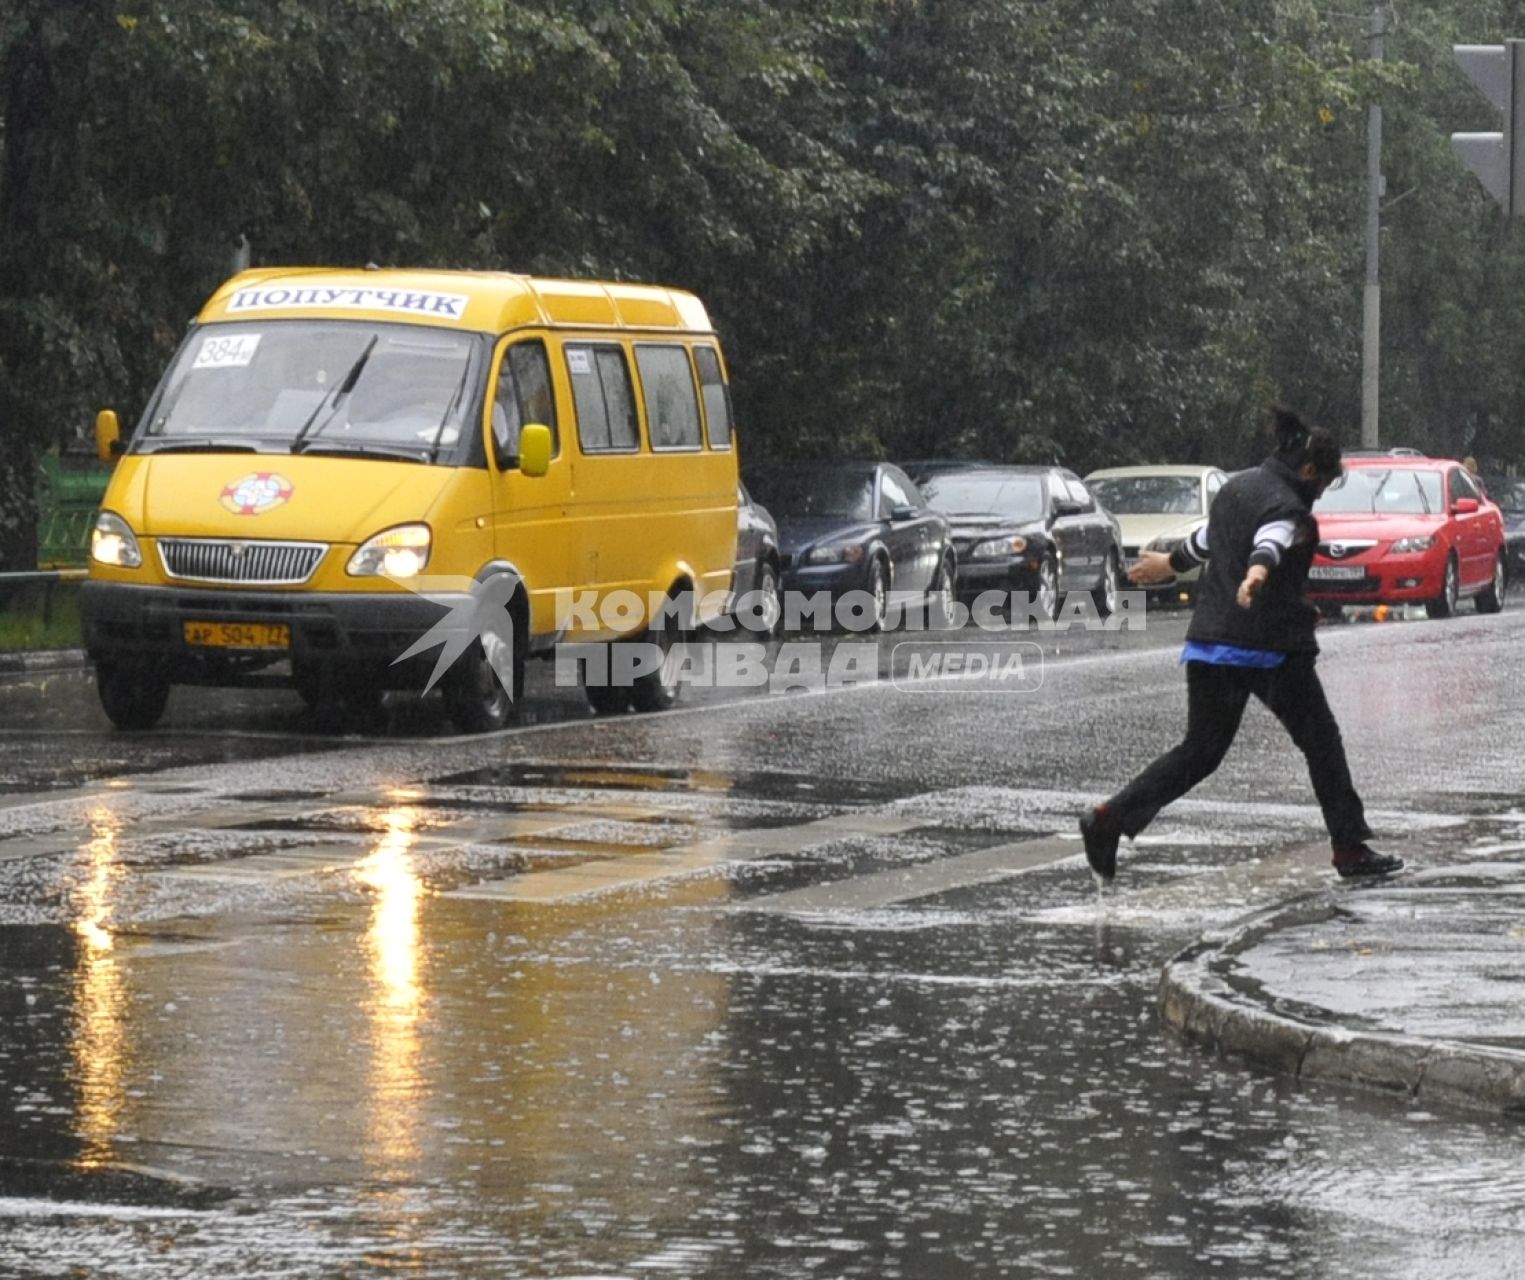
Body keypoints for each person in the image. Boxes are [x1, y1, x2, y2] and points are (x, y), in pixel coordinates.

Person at [1079, 407, 1403, 882]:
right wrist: (1255, 576)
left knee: (1201, 750)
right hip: (1268, 648)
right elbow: (1268, 543)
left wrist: (1168, 563)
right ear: (1310, 471)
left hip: (1210, 643)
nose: (1321, 491)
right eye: (1325, 481)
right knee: (1321, 741)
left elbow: (1206, 540)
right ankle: (1350, 849)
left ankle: (1109, 819)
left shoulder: (1237, 488)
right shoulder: (1289, 507)